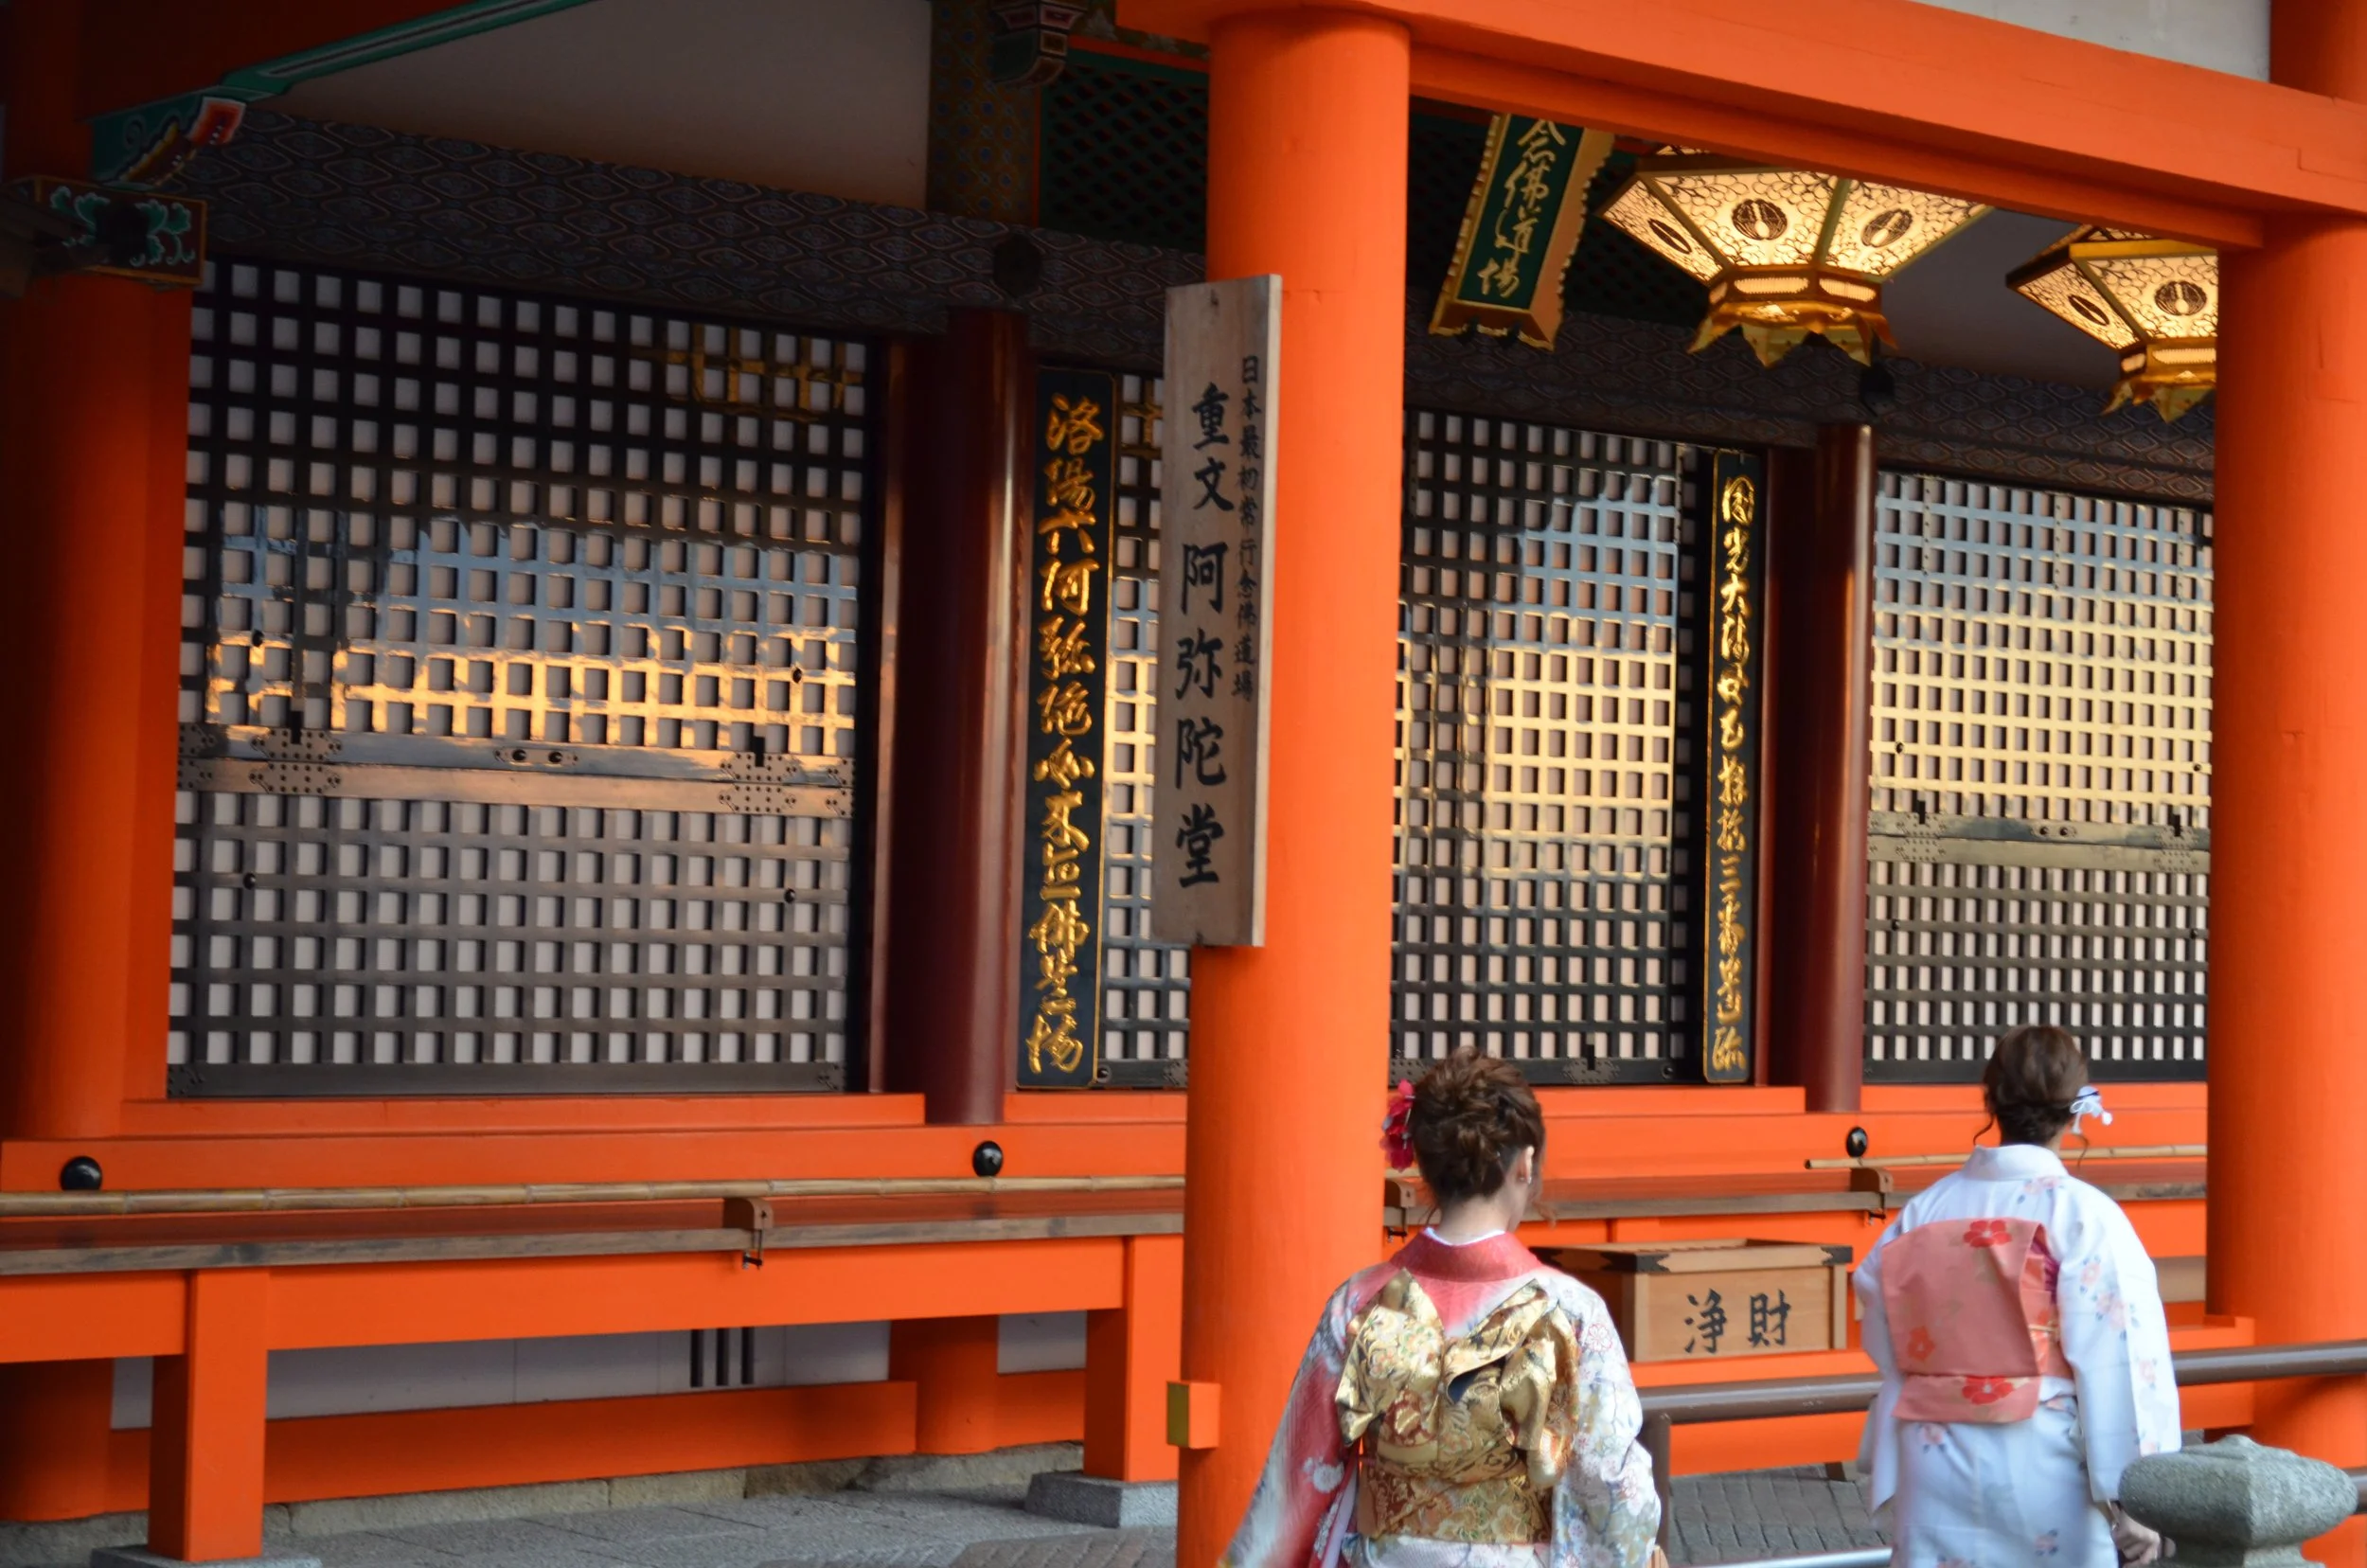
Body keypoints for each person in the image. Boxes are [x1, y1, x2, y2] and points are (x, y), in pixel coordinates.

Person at [1223, 1048, 1663, 1568]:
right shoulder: (1570, 1310)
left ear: (1425, 1166)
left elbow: (1298, 1475)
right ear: (1524, 1165)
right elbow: (1611, 1483)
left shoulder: (1359, 1302)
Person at [1855, 1026, 2181, 1567]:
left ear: (1990, 1102)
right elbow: (2122, 1357)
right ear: (2076, 1113)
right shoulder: (2083, 1214)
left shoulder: (1926, 1209)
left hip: (1933, 1449)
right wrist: (2138, 1493)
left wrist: (1946, 1378)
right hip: (2039, 1454)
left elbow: (1878, 1303)